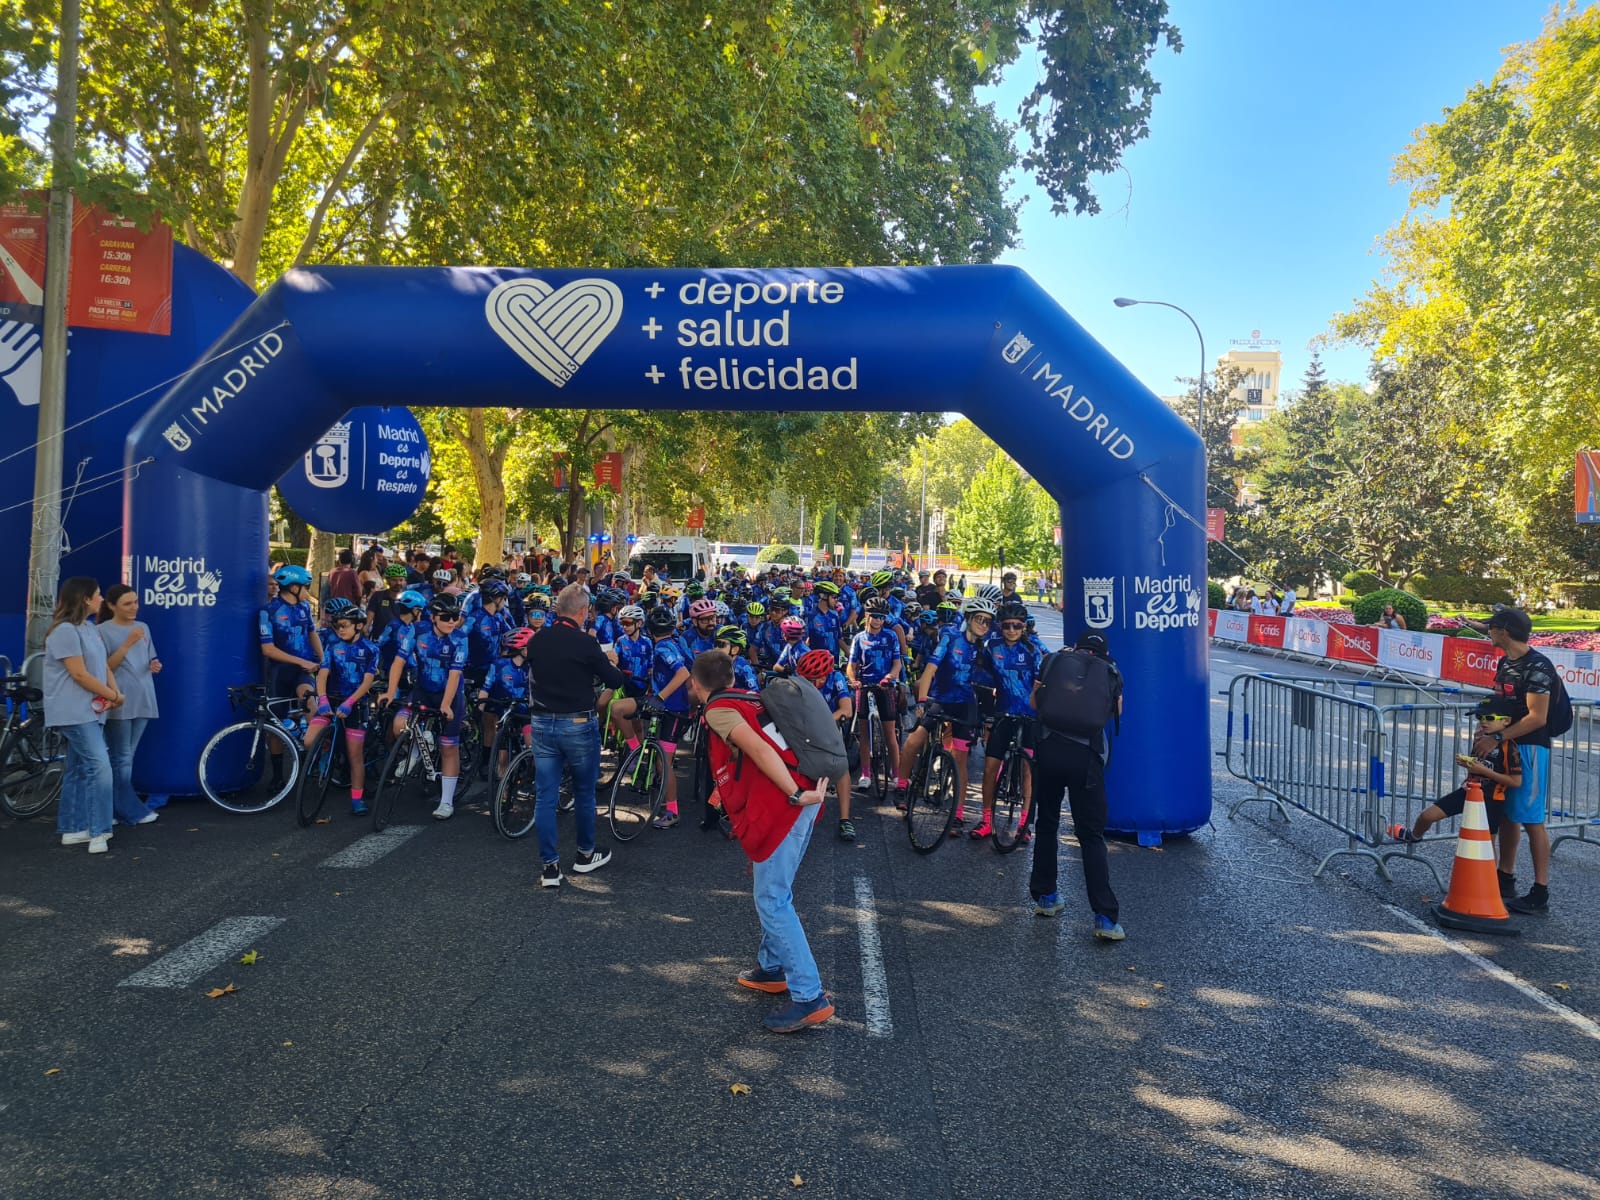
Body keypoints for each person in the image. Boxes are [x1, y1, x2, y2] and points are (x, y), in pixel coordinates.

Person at [690, 650, 834, 1033]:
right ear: (733, 677)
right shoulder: (750, 698)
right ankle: (771, 968)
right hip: (806, 791)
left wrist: (793, 794)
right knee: (774, 887)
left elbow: (758, 749)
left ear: (695, 683)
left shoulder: (718, 710)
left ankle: (809, 996)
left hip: (787, 804)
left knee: (772, 898)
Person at [522, 583, 626, 888]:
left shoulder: (538, 640)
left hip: (541, 723)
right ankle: (584, 854)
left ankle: (550, 867)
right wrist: (611, 663)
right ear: (583, 611)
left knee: (546, 795)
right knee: (583, 791)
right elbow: (614, 678)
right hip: (578, 723)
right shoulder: (585, 643)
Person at [1029, 630, 1124, 940]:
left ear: (1078, 646)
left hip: (1049, 750)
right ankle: (1105, 917)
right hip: (1086, 759)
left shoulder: (1056, 661)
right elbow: (1116, 712)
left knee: (1047, 824)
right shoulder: (1110, 670)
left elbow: (1035, 702)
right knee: (1091, 836)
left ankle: (1046, 897)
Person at [1465, 607, 1559, 913]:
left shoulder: (1539, 667)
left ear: (1504, 631)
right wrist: (1484, 729)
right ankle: (1505, 876)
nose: (1488, 631)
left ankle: (1540, 890)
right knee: (1508, 813)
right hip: (1505, 746)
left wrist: (1498, 737)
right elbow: (1500, 703)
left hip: (1530, 749)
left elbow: (1537, 718)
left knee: (1532, 820)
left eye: (1491, 627)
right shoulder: (1506, 662)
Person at [45, 577, 122, 853]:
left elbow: (101, 665)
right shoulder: (65, 631)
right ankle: (98, 830)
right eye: (98, 595)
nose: (101, 599)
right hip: (73, 711)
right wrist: (112, 696)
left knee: (79, 768)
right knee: (100, 766)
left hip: (89, 710)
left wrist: (113, 691)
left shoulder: (89, 629)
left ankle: (73, 827)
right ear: (85, 599)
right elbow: (78, 674)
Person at [1389, 698, 1523, 843]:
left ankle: (1492, 867)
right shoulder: (1481, 740)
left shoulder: (1509, 748)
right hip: (1468, 792)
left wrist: (1483, 770)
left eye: (1489, 718)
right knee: (1426, 816)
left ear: (1506, 721)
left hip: (1491, 800)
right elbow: (1478, 766)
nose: (1483, 722)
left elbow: (1515, 781)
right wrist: (1469, 768)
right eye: (1480, 717)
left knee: (1486, 847)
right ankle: (1413, 836)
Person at [96, 585, 160, 827]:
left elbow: (149, 658)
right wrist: (126, 644)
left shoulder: (143, 627)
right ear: (112, 606)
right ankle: (125, 808)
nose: (134, 607)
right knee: (121, 757)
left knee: (126, 756)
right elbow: (104, 668)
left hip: (143, 695)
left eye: (135, 602)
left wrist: (154, 665)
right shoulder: (101, 630)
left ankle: (115, 807)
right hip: (118, 698)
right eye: (127, 603)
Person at [307, 605, 379, 815]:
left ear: (358, 626)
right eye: (337, 626)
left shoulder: (370, 649)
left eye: (344, 626)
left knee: (354, 755)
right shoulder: (332, 645)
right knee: (310, 740)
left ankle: (357, 799)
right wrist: (322, 699)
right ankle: (327, 747)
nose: (340, 630)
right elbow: (322, 675)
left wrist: (350, 703)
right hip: (330, 700)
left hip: (355, 704)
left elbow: (367, 682)